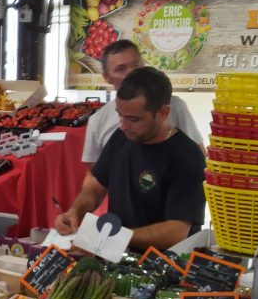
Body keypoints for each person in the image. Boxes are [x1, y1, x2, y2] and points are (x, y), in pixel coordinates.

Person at [53, 66, 205, 252]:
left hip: (162, 268)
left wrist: (113, 238)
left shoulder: (186, 156)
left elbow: (176, 231)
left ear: (163, 113)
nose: (123, 125)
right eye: (120, 115)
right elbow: (95, 185)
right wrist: (75, 212)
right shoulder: (122, 137)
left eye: (134, 119)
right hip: (117, 256)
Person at [82, 39, 204, 166]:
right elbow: (95, 174)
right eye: (121, 69)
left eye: (136, 66)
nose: (131, 73)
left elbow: (199, 155)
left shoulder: (175, 106)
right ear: (107, 77)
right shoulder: (97, 121)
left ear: (163, 113)